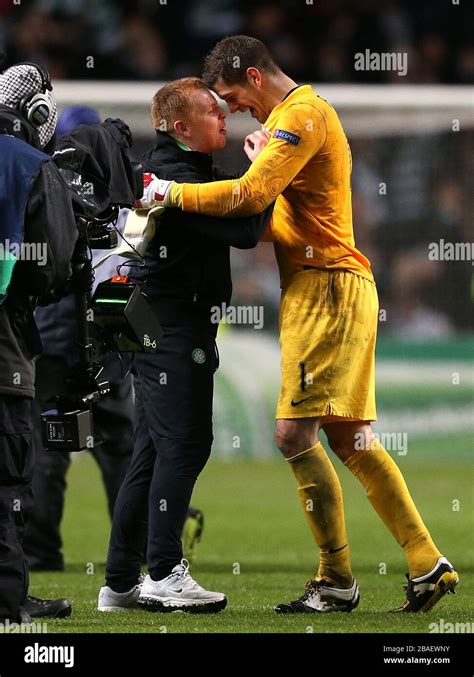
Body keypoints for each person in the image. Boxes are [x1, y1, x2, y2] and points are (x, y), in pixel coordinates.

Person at [142, 36, 459, 614]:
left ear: (255, 77)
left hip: (327, 289)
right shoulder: (294, 122)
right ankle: (423, 559)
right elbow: (266, 222)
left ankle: (337, 577)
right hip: (328, 286)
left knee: (293, 435)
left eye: (233, 96)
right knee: (350, 438)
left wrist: (170, 193)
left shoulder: (301, 116)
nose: (233, 109)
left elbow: (249, 194)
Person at [97, 77, 273, 613]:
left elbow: (241, 222)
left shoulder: (178, 170)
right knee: (185, 446)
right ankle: (164, 573)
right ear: (181, 127)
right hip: (174, 328)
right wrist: (263, 168)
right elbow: (245, 231)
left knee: (151, 454)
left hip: (159, 323)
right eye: (211, 112)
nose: (224, 116)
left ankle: (121, 582)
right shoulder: (175, 177)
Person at [23, 105, 135, 573]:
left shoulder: (42, 178)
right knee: (119, 444)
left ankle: (40, 551)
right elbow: (127, 267)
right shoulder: (117, 190)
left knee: (48, 445)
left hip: (50, 332)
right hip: (104, 329)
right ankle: (136, 550)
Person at [0, 62, 77, 623]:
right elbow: (51, 268)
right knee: (6, 478)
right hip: (4, 343)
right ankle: (8, 600)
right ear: (38, 113)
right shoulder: (31, 165)